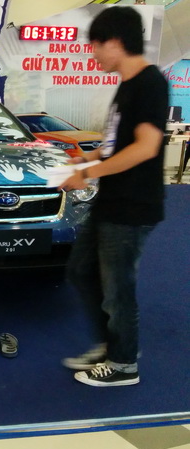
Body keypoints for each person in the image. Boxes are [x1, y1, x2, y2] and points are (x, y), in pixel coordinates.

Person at [58, 6, 168, 387]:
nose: (93, 54)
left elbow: (146, 148)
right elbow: (114, 145)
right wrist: (83, 158)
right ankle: (112, 345)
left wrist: (86, 174)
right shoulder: (125, 85)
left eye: (96, 45)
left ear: (117, 43)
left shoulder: (151, 83)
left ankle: (123, 364)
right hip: (111, 202)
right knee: (81, 270)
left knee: (118, 288)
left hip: (133, 206)